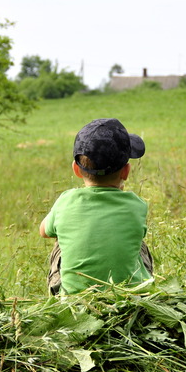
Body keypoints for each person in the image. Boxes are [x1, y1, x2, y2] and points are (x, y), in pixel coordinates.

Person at [40, 118, 153, 295]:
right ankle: (139, 285)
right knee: (139, 244)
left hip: (75, 301)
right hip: (130, 297)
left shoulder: (66, 200)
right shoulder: (137, 205)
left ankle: (68, 291)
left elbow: (43, 231)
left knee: (60, 239)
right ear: (126, 171)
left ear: (76, 170)